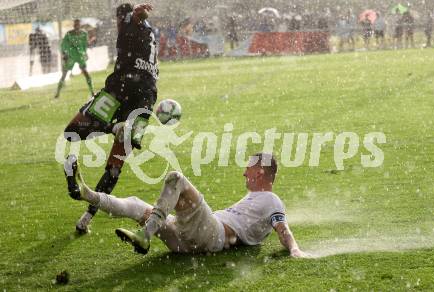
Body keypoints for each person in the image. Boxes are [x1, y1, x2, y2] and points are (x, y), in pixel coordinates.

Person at [64, 152, 310, 257]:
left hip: (213, 234)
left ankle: (145, 234)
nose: (244, 173)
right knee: (140, 205)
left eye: (248, 168)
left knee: (176, 179)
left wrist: (294, 249)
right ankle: (89, 195)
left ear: (259, 172)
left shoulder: (272, 200)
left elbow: (283, 228)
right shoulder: (257, 199)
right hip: (188, 243)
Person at [63, 3, 158, 234]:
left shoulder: (129, 23)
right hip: (145, 99)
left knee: (73, 131)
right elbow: (138, 21)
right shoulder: (149, 31)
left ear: (119, 18)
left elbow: (133, 17)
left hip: (121, 87)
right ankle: (86, 218)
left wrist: (136, 12)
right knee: (115, 167)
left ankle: (108, 130)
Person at [54, 19, 94, 99]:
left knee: (86, 74)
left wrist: (85, 53)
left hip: (79, 56)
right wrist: (64, 54)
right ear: (73, 25)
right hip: (71, 56)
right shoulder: (69, 34)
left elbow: (85, 45)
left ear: (80, 25)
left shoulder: (84, 34)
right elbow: (63, 45)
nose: (76, 26)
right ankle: (58, 92)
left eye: (78, 24)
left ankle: (92, 92)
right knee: (64, 74)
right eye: (75, 24)